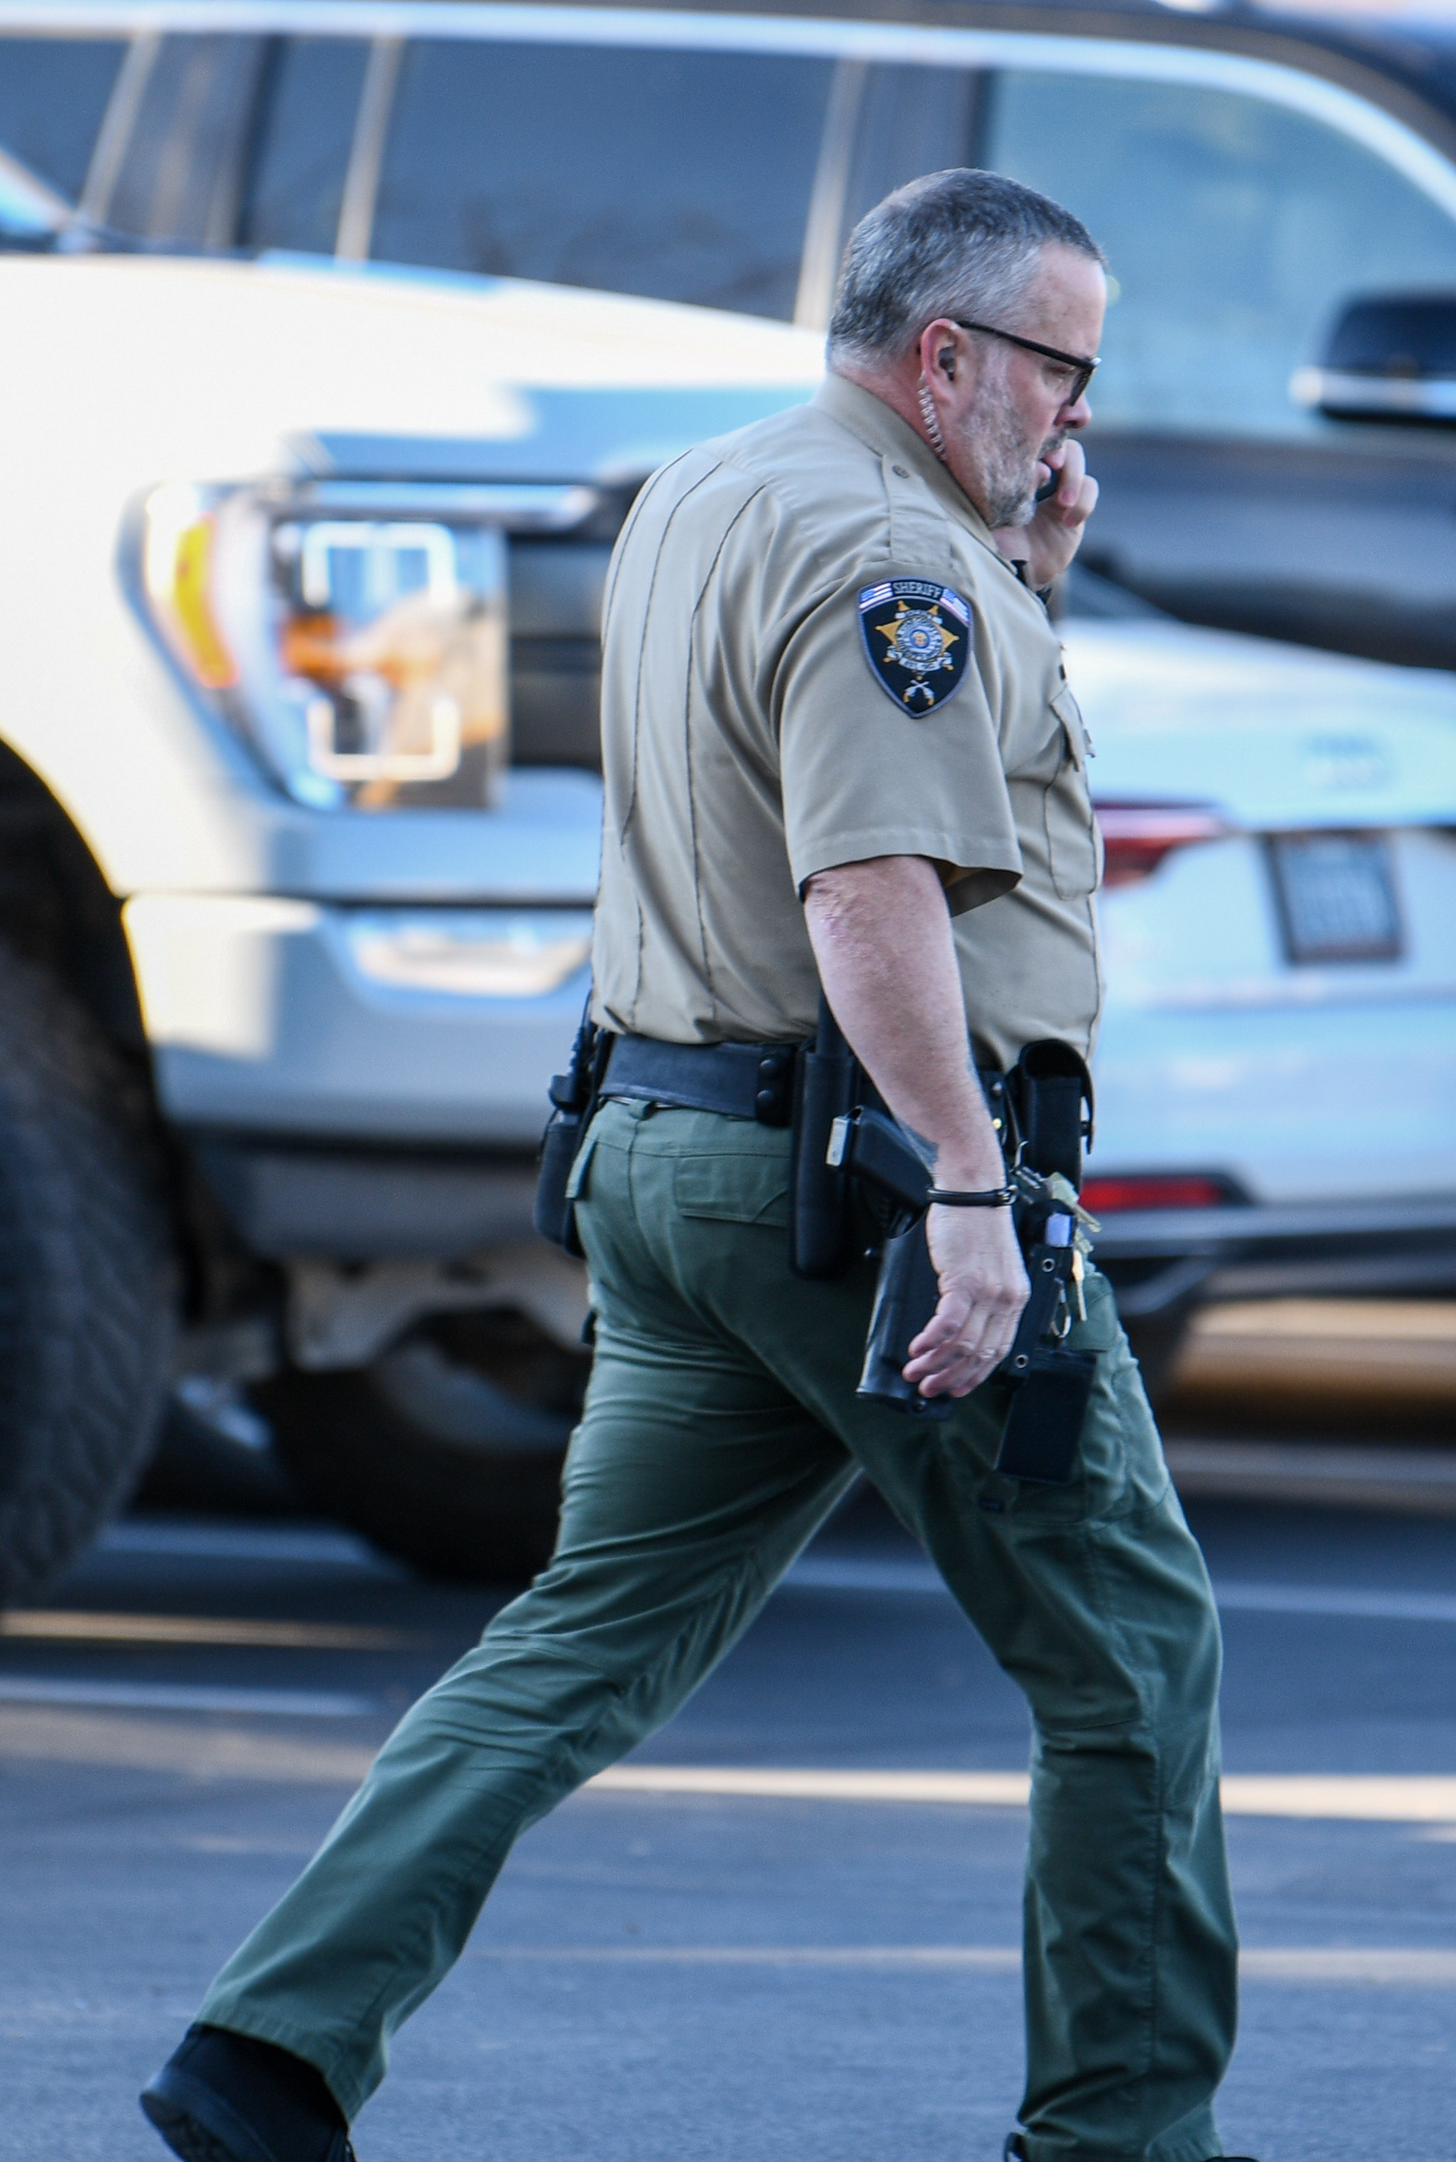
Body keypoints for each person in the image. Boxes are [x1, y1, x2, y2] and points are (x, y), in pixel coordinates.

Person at [137, 170, 1242, 2162]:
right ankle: (1126, 2139)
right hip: (866, 1195)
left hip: (673, 1153)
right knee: (1131, 1644)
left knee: (581, 1632)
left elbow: (802, 784)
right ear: (949, 354)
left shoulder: (715, 492)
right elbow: (868, 880)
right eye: (1063, 370)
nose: (1082, 413)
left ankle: (268, 2047)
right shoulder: (887, 559)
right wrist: (976, 1192)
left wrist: (1033, 569)